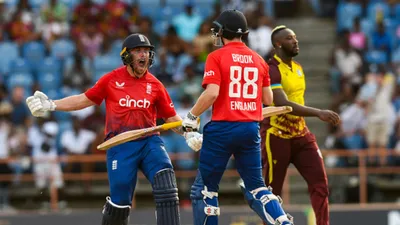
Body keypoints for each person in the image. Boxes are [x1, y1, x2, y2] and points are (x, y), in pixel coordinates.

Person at [26, 33, 202, 225]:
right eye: (138, 51)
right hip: (121, 144)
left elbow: (171, 118)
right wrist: (52, 104)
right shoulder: (111, 80)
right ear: (127, 55)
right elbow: (83, 100)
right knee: (120, 205)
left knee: (167, 187)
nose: (144, 55)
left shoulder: (155, 85)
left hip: (149, 142)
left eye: (146, 51)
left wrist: (187, 132)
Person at [181, 10, 294, 225]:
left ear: (224, 31)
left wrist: (191, 117)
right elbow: (268, 99)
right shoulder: (259, 60)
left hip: (223, 128)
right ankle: (282, 221)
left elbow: (212, 93)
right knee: (257, 187)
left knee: (205, 190)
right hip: (250, 129)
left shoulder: (216, 56)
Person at [260, 25, 341, 225]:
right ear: (278, 44)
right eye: (289, 38)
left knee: (320, 186)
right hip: (276, 135)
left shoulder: (298, 68)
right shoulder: (271, 69)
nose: (295, 41)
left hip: (301, 134)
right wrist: (318, 112)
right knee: (272, 193)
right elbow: (283, 104)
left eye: (295, 37)